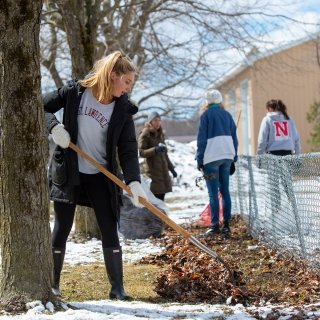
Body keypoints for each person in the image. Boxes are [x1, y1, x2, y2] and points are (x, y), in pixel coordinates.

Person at [44, 51, 148, 300]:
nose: (128, 88)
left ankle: (117, 288)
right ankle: (53, 285)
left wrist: (133, 181)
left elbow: (128, 149)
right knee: (62, 227)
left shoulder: (122, 108)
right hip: (69, 171)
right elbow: (41, 106)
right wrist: (54, 127)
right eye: (127, 82)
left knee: (109, 227)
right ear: (113, 76)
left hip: (101, 175)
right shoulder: (74, 92)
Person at [196, 89, 238, 237]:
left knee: (213, 194)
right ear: (220, 101)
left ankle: (214, 226)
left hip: (211, 159)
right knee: (225, 191)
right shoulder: (227, 115)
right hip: (227, 157)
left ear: (207, 102)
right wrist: (234, 157)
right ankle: (226, 225)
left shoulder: (205, 116)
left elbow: (201, 140)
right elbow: (234, 137)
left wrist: (200, 160)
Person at [138, 112, 177, 201]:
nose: (158, 122)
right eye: (155, 120)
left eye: (159, 120)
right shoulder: (145, 134)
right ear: (150, 122)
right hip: (153, 173)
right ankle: (155, 215)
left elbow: (165, 155)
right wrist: (155, 150)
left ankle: (160, 215)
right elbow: (141, 152)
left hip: (163, 172)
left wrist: (172, 170)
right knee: (155, 201)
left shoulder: (160, 135)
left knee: (161, 199)